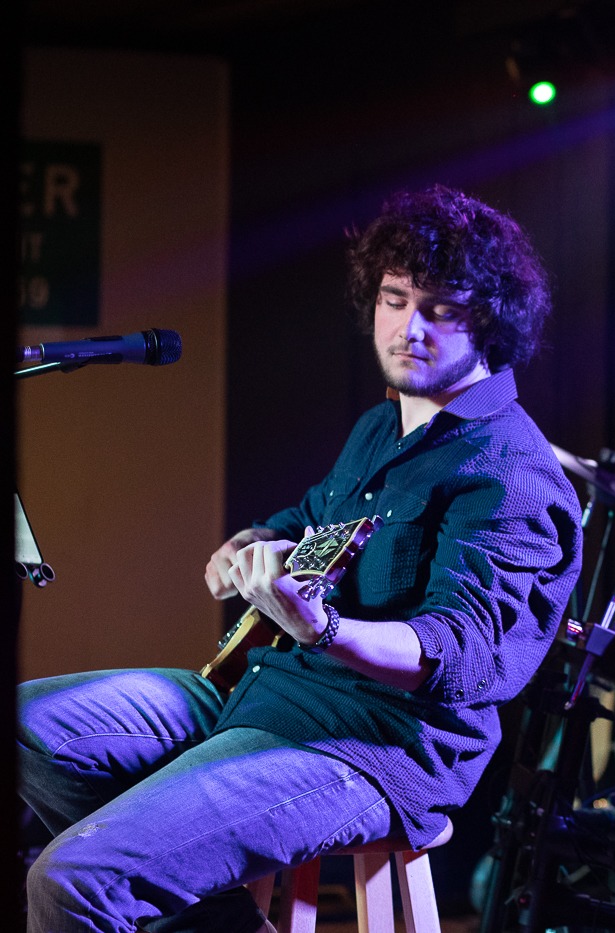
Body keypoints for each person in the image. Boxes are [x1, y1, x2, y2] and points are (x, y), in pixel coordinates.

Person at [17, 186, 583, 933]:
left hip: (368, 745)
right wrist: (251, 544)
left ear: (493, 320)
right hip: (263, 691)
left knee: (70, 880)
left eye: (442, 308)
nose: (409, 327)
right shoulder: (383, 424)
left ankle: (138, 886)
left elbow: (457, 652)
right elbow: (313, 520)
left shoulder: (510, 474)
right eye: (394, 298)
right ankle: (199, 907)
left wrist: (322, 628)